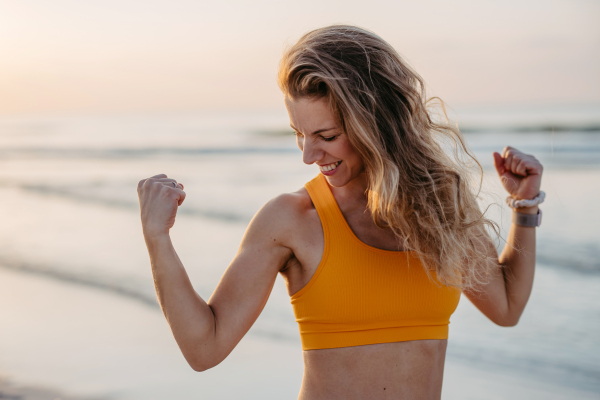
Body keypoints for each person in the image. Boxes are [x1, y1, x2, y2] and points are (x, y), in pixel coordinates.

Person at [137, 25, 544, 399]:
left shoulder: (440, 204)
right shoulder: (291, 220)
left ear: (377, 122)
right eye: (299, 135)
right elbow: (204, 348)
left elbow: (506, 307)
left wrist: (523, 206)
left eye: (326, 136)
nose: (309, 155)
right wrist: (158, 238)